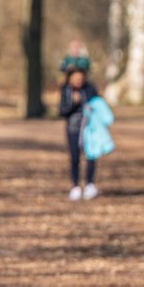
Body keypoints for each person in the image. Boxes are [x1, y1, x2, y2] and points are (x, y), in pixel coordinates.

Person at [59, 63, 99, 201]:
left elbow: (98, 105)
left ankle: (89, 184)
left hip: (90, 129)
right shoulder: (66, 90)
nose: (78, 81)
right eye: (76, 78)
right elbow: (62, 111)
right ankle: (75, 186)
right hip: (73, 129)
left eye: (80, 78)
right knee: (75, 158)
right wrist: (73, 103)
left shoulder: (90, 89)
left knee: (91, 156)